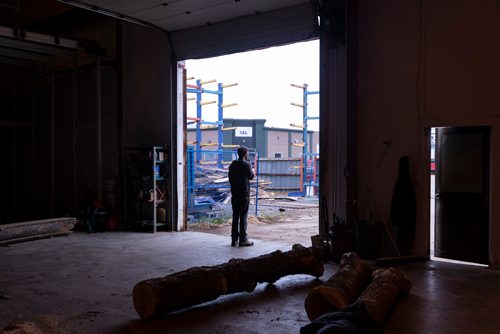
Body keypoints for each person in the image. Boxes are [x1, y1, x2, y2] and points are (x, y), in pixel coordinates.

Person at [228, 146, 255, 247]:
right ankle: (243, 239)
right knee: (243, 216)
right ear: (245, 154)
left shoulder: (232, 165)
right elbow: (251, 176)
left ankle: (234, 239)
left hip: (235, 194)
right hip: (244, 195)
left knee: (235, 216)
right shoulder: (246, 164)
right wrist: (250, 165)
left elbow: (230, 178)